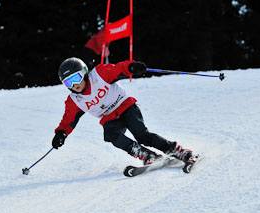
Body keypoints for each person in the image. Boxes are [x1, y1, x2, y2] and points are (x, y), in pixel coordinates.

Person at [52, 57, 196, 165]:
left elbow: (118, 69)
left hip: (125, 106)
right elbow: (68, 120)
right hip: (109, 117)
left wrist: (131, 67)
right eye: (68, 82)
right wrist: (61, 133)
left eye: (76, 78)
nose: (75, 85)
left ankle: (177, 151)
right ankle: (146, 155)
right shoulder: (74, 100)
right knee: (111, 134)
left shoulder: (99, 75)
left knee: (142, 135)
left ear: (84, 73)